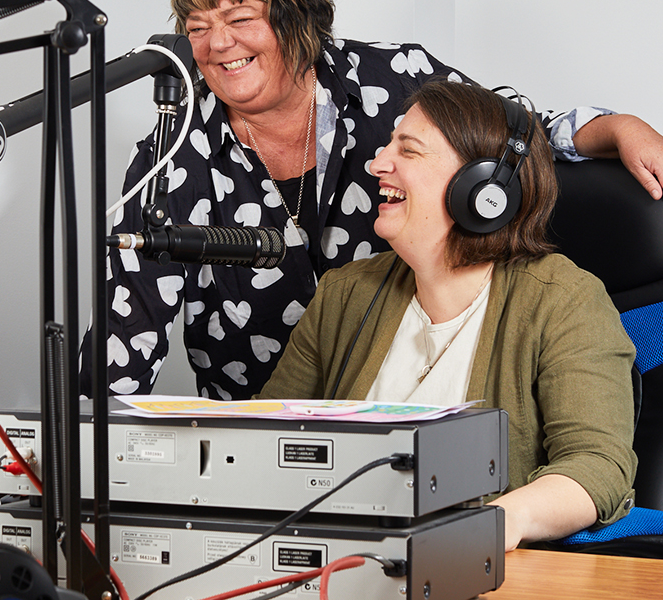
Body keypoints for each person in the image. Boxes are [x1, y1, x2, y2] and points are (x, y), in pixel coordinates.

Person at [78, 0, 663, 401]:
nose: (217, 44)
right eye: (198, 28)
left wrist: (614, 127)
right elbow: (125, 333)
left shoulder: (394, 81)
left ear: (295, 17)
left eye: (238, 19)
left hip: (406, 402)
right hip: (264, 439)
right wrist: (82, 460)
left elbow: (504, 139)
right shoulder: (173, 153)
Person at [257, 80, 637, 551]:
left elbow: (597, 465)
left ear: (483, 190)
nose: (377, 164)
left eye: (408, 151)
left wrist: (500, 521)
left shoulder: (563, 300)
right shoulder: (345, 293)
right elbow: (265, 439)